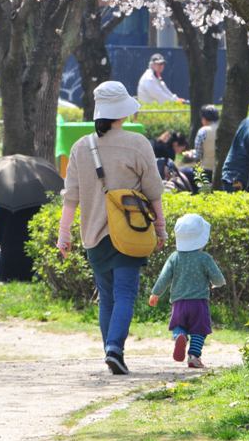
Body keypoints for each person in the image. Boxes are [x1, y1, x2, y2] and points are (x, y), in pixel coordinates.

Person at [57, 80, 167, 375]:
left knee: (107, 297)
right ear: (123, 112)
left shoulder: (81, 147)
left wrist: (63, 235)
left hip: (93, 235)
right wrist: (161, 230)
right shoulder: (138, 144)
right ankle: (114, 349)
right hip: (129, 232)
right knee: (126, 294)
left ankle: (111, 350)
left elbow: (71, 198)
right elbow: (154, 192)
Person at [148, 213, 225, 368]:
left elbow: (164, 277)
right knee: (199, 330)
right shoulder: (204, 258)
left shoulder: (174, 257)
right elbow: (218, 278)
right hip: (199, 303)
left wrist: (155, 293)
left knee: (178, 325)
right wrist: (217, 283)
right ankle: (193, 356)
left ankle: (179, 336)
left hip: (178, 304)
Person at [0, 204, 41, 282]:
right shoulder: (39, 204)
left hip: (8, 259)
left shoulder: (5, 205)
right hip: (31, 262)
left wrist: (6, 243)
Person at [192, 105, 219, 181]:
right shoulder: (222, 129)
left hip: (206, 168)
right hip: (220, 168)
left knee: (204, 191)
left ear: (204, 118)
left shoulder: (203, 131)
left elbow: (198, 153)